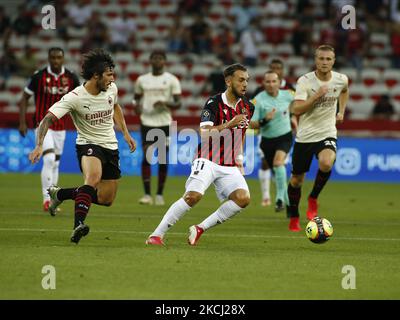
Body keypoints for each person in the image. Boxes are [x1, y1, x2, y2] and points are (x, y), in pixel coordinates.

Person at [28, 49, 136, 244]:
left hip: (110, 146)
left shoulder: (111, 89)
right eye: (109, 74)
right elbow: (47, 120)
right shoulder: (75, 97)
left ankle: (60, 193)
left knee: (106, 199)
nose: (113, 78)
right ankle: (78, 225)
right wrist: (39, 146)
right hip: (88, 145)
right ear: (96, 75)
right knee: (92, 179)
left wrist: (126, 133)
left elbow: (116, 106)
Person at [146, 63, 254, 246]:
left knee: (243, 199)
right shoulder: (214, 103)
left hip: (229, 163)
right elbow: (204, 134)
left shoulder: (248, 107)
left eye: (247, 81)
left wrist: (240, 159)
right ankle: (156, 235)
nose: (245, 84)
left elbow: (240, 135)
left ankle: (199, 228)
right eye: (241, 80)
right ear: (229, 81)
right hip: (207, 158)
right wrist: (229, 123)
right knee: (192, 196)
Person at [287, 44, 349, 231]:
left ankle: (313, 198)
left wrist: (341, 111)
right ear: (315, 60)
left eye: (328, 59)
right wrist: (315, 97)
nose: (324, 62)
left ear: (333, 61)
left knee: (327, 163)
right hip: (305, 136)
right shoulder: (305, 81)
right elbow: (296, 109)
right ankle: (294, 214)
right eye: (321, 59)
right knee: (297, 180)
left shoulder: (341, 79)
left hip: (327, 132)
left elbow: (344, 90)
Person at [18, 47, 80, 212]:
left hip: (61, 127)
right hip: (42, 125)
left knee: (55, 164)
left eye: (59, 57)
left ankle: (53, 198)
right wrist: (22, 122)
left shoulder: (71, 77)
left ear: (63, 59)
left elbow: (80, 99)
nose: (55, 61)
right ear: (48, 58)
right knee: (49, 159)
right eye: (52, 58)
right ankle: (46, 199)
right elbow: (24, 98)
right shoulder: (39, 76)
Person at [133, 50, 182, 206]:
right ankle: (147, 194)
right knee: (147, 156)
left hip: (164, 122)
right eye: (154, 58)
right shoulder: (142, 80)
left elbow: (178, 103)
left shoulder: (171, 80)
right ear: (150, 60)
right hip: (147, 121)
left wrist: (165, 104)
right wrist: (136, 107)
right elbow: (136, 99)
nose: (157, 61)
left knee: (162, 160)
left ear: (164, 61)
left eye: (160, 58)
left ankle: (159, 194)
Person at [249, 71, 297, 212]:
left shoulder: (288, 94)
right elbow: (252, 124)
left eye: (273, 81)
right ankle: (289, 205)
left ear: (279, 82)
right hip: (267, 141)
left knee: (278, 163)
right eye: (268, 82)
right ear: (263, 83)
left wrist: (294, 117)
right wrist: (265, 120)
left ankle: (279, 198)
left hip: (285, 137)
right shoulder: (258, 100)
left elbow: (301, 101)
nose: (271, 84)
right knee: (277, 172)